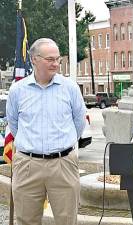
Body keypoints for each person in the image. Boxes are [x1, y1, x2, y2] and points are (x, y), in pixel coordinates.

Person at [6, 38, 86, 225]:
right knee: (26, 220)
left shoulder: (70, 88)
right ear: (34, 59)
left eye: (58, 59)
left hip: (63, 164)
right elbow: (14, 123)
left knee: (67, 221)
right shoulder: (18, 90)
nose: (56, 64)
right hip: (27, 166)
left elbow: (78, 122)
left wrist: (62, 146)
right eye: (50, 59)